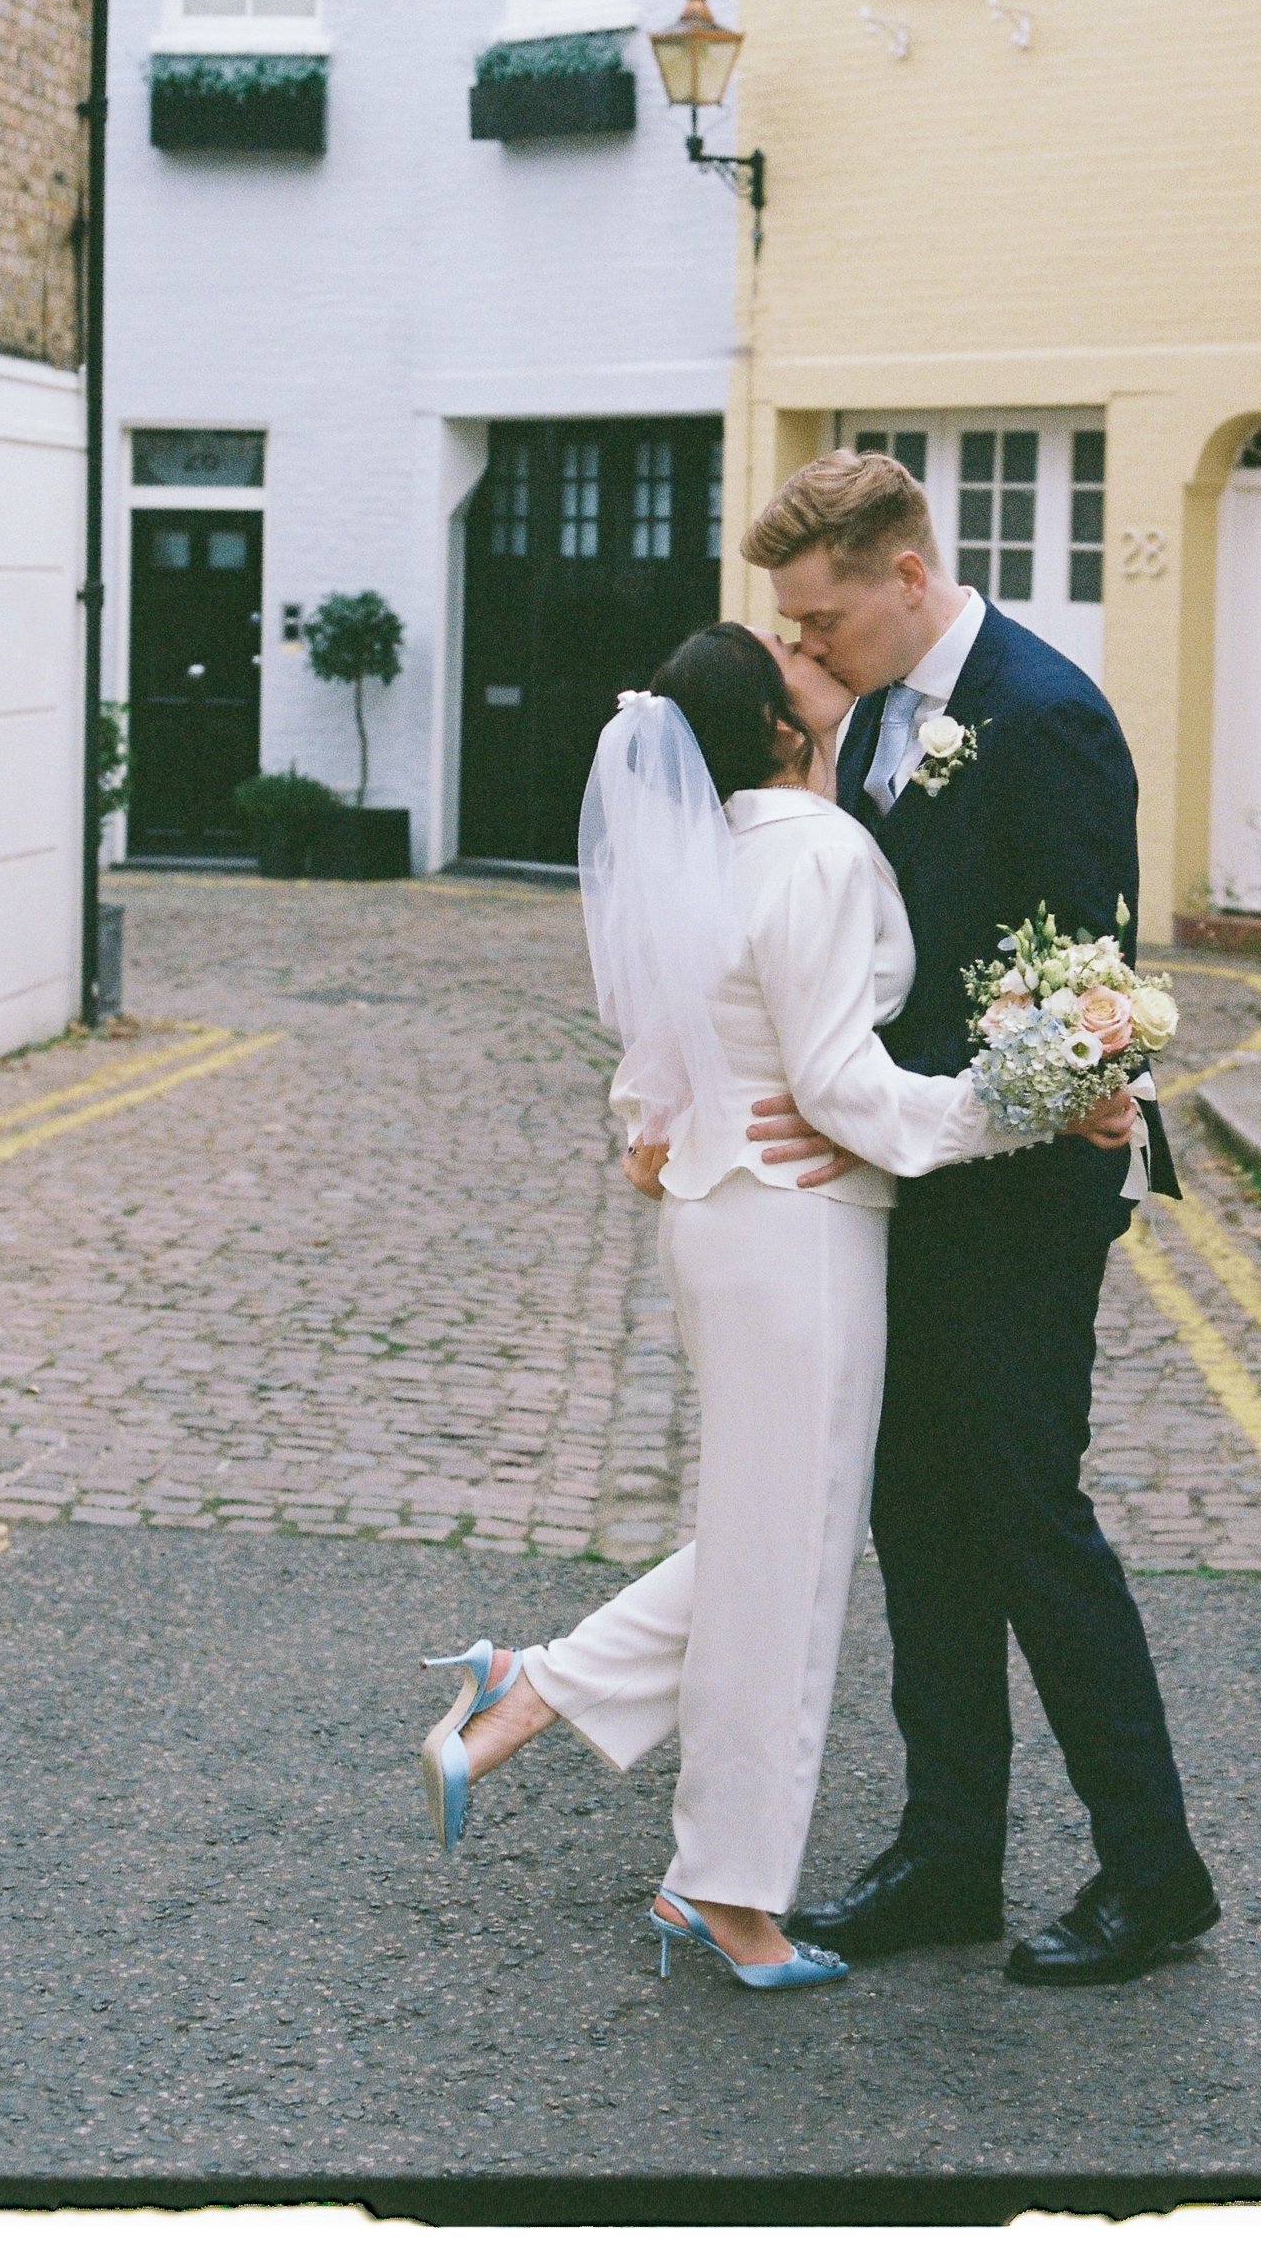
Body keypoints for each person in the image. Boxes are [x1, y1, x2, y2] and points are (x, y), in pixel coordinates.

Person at [418, 618, 1045, 1993]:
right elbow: (840, 1087)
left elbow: (650, 1070)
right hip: (800, 1236)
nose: (820, 667)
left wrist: (660, 1130)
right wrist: (1028, 1108)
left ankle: (527, 1692)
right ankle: (723, 1892)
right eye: (796, 667)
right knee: (793, 1563)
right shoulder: (815, 851)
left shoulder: (696, 859)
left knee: (775, 1538)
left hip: (717, 1224)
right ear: (776, 726)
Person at [740, 450, 1218, 1989]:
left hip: (1018, 1206)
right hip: (911, 1196)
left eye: (820, 621)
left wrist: (966, 1114)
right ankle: (949, 1857)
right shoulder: (876, 709)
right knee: (916, 1525)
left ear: (902, 575)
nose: (803, 652)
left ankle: (1154, 1875)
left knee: (1024, 1522)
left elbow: (1087, 1002)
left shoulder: (1048, 712)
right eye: (792, 631)